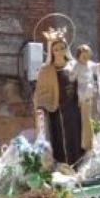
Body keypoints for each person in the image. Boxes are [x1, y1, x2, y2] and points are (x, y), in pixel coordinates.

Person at [34, 29, 84, 165]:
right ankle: (64, 169)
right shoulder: (46, 71)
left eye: (62, 48)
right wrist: (41, 109)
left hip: (75, 112)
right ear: (51, 52)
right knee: (60, 142)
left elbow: (84, 86)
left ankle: (80, 167)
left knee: (78, 140)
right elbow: (41, 94)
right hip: (56, 113)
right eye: (56, 49)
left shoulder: (74, 67)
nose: (60, 51)